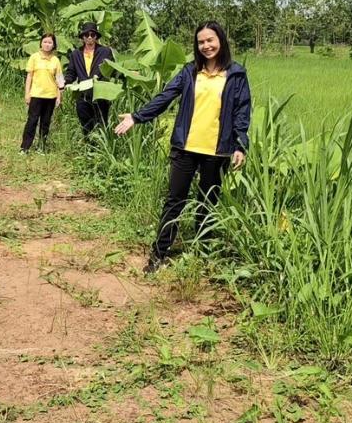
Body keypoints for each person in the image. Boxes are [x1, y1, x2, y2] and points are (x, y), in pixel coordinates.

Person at [115, 21, 251, 273]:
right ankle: (159, 254)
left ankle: (203, 251)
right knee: (174, 201)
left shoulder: (236, 74)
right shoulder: (190, 72)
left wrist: (240, 144)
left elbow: (243, 112)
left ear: (221, 40)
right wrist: (137, 116)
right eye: (201, 42)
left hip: (217, 150)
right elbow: (165, 97)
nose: (206, 46)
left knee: (207, 202)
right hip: (185, 148)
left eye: (210, 40)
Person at [64, 21, 114, 134]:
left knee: (101, 124)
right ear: (82, 37)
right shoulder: (75, 54)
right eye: (87, 35)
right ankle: (88, 149)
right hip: (83, 95)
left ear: (96, 36)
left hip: (100, 94)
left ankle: (102, 150)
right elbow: (71, 73)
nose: (90, 37)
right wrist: (65, 82)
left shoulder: (105, 52)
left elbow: (111, 70)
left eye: (92, 35)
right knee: (85, 125)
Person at [21, 33, 63, 152]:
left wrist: (60, 96)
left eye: (50, 42)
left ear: (53, 45)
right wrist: (27, 94)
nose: (47, 44)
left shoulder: (56, 60)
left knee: (45, 122)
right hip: (36, 95)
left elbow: (59, 79)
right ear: (41, 43)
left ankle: (42, 147)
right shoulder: (34, 57)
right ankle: (25, 147)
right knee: (32, 121)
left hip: (50, 96)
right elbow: (29, 76)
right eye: (45, 42)